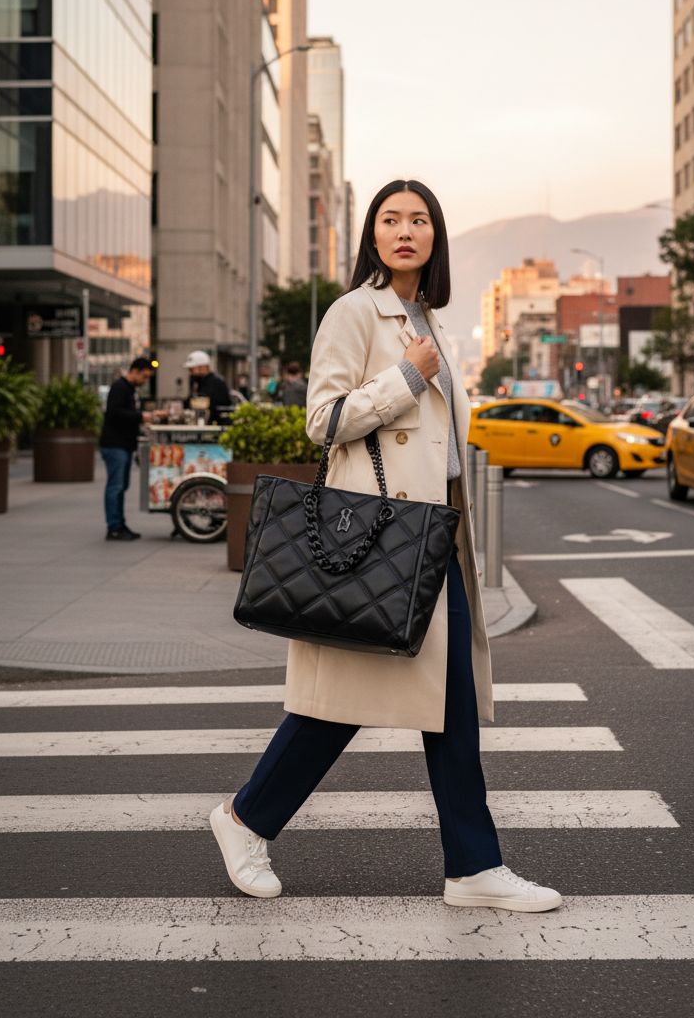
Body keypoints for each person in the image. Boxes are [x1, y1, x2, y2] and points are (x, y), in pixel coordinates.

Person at [209, 179, 562, 912]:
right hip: (376, 543)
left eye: (420, 220)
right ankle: (245, 818)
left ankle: (473, 866)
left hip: (430, 544)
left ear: (435, 238)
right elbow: (322, 421)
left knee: (451, 703)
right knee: (337, 707)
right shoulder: (354, 312)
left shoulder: (423, 313)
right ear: (372, 236)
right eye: (391, 219)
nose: (406, 230)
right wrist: (406, 378)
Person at [99, 357, 153, 541]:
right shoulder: (120, 387)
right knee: (116, 486)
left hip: (122, 445)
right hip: (115, 445)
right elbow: (114, 413)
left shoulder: (128, 389)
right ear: (135, 371)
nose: (145, 381)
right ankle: (114, 527)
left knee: (121, 486)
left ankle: (119, 524)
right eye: (144, 376)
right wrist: (141, 416)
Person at [183, 350, 232, 424]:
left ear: (203, 367)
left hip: (217, 425)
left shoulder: (216, 382)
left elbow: (208, 403)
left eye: (192, 369)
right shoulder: (199, 383)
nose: (190, 373)